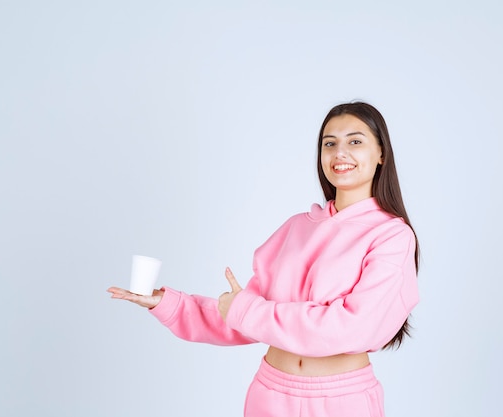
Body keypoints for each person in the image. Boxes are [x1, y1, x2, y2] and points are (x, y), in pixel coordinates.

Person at [108, 101, 419, 417]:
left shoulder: (391, 236)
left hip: (342, 400)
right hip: (269, 394)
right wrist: (167, 303)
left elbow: (350, 327)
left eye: (355, 141)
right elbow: (246, 318)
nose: (340, 153)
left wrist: (248, 310)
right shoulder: (296, 228)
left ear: (381, 153)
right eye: (329, 143)